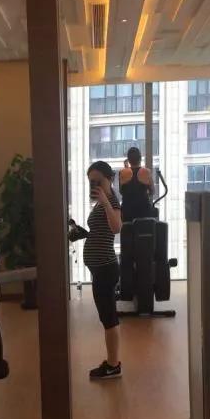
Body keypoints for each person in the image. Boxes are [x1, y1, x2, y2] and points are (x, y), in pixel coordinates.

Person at [83, 161, 122, 379]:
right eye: (91, 182)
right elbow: (101, 231)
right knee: (106, 316)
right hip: (100, 268)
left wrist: (106, 202)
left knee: (108, 318)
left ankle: (113, 365)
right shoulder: (101, 203)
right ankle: (112, 362)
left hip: (106, 268)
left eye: (98, 181)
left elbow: (116, 228)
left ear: (110, 179)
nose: (94, 185)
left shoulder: (112, 201)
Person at [119, 146, 154, 222]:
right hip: (144, 210)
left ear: (128, 160)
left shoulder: (122, 172)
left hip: (127, 210)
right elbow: (152, 191)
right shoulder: (146, 172)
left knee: (128, 228)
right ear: (140, 158)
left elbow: (121, 191)